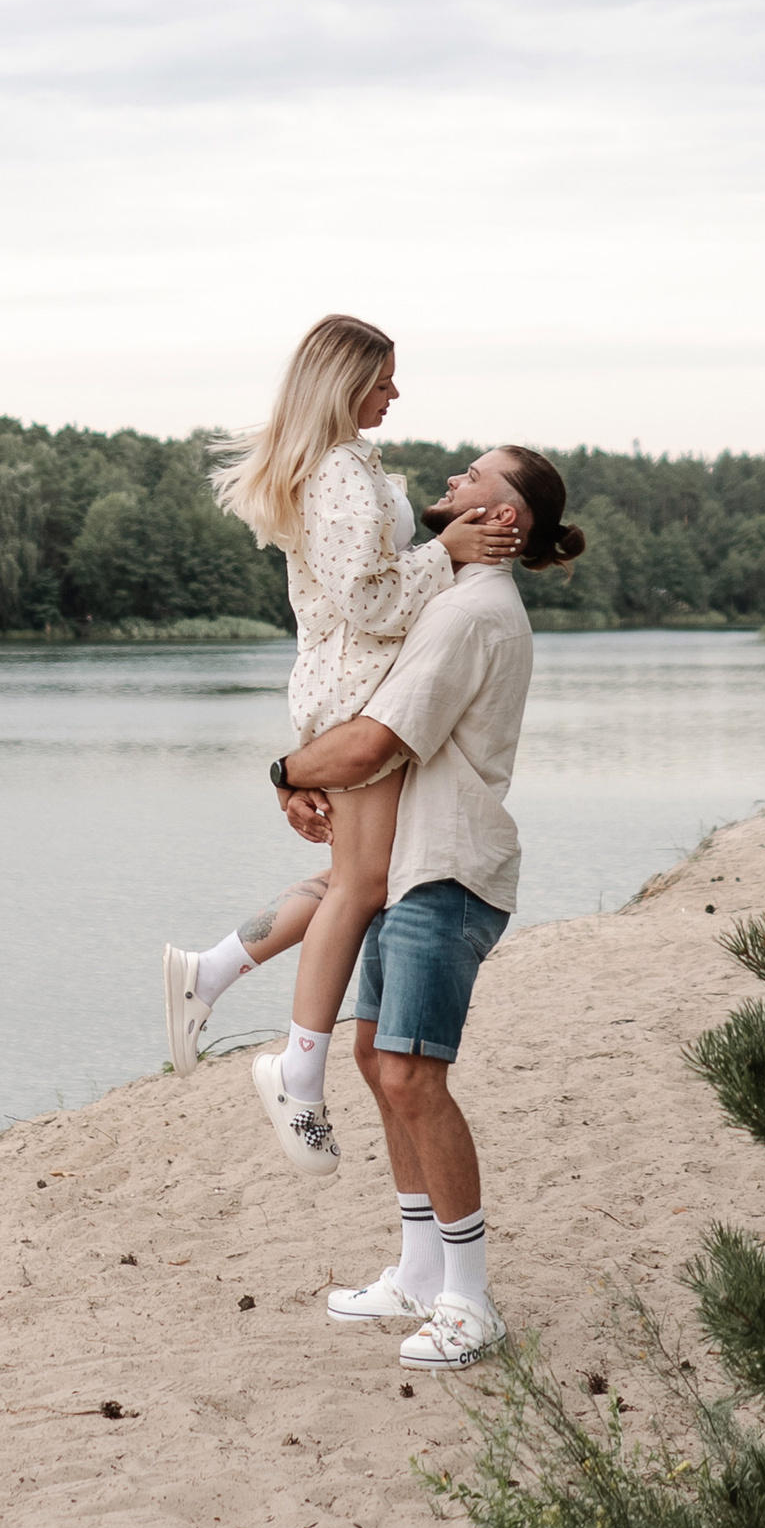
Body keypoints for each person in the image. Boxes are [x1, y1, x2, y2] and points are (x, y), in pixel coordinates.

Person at [179, 316, 521, 1179]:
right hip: (357, 690)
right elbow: (369, 603)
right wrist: (445, 549)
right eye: (384, 379)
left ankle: (212, 972)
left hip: (352, 685)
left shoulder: (343, 465)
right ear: (343, 380)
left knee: (353, 877)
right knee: (364, 883)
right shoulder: (335, 472)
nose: (395, 394)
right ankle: (296, 1070)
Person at [276, 443, 586, 1370]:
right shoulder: (452, 597)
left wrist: (289, 771)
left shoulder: (477, 614)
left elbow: (375, 736)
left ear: (508, 518)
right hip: (406, 863)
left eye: (475, 479)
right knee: (378, 1058)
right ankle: (417, 1268)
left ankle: (470, 1298)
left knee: (413, 1074)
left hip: (446, 870)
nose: (453, 481)